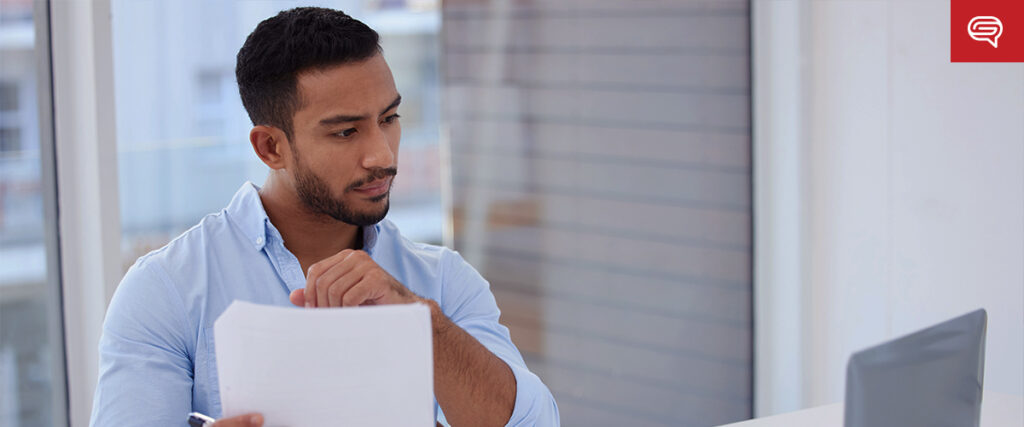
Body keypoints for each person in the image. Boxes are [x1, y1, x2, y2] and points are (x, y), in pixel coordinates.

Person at [89, 7, 558, 427]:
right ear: (271, 147)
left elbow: (533, 423)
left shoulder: (443, 283)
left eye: (389, 119)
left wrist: (418, 322)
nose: (381, 155)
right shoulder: (167, 291)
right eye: (347, 131)